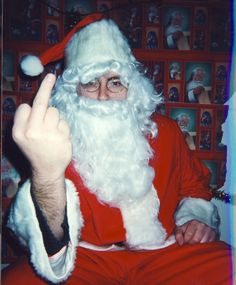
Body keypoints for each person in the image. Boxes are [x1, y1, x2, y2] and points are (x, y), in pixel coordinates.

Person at [2, 13, 233, 285]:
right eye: (90, 83)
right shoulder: (53, 135)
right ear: (73, 90)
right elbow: (39, 227)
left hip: (164, 252)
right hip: (84, 256)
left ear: (132, 87)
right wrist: (46, 171)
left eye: (114, 82)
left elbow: (195, 189)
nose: (102, 96)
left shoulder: (167, 131)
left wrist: (195, 220)